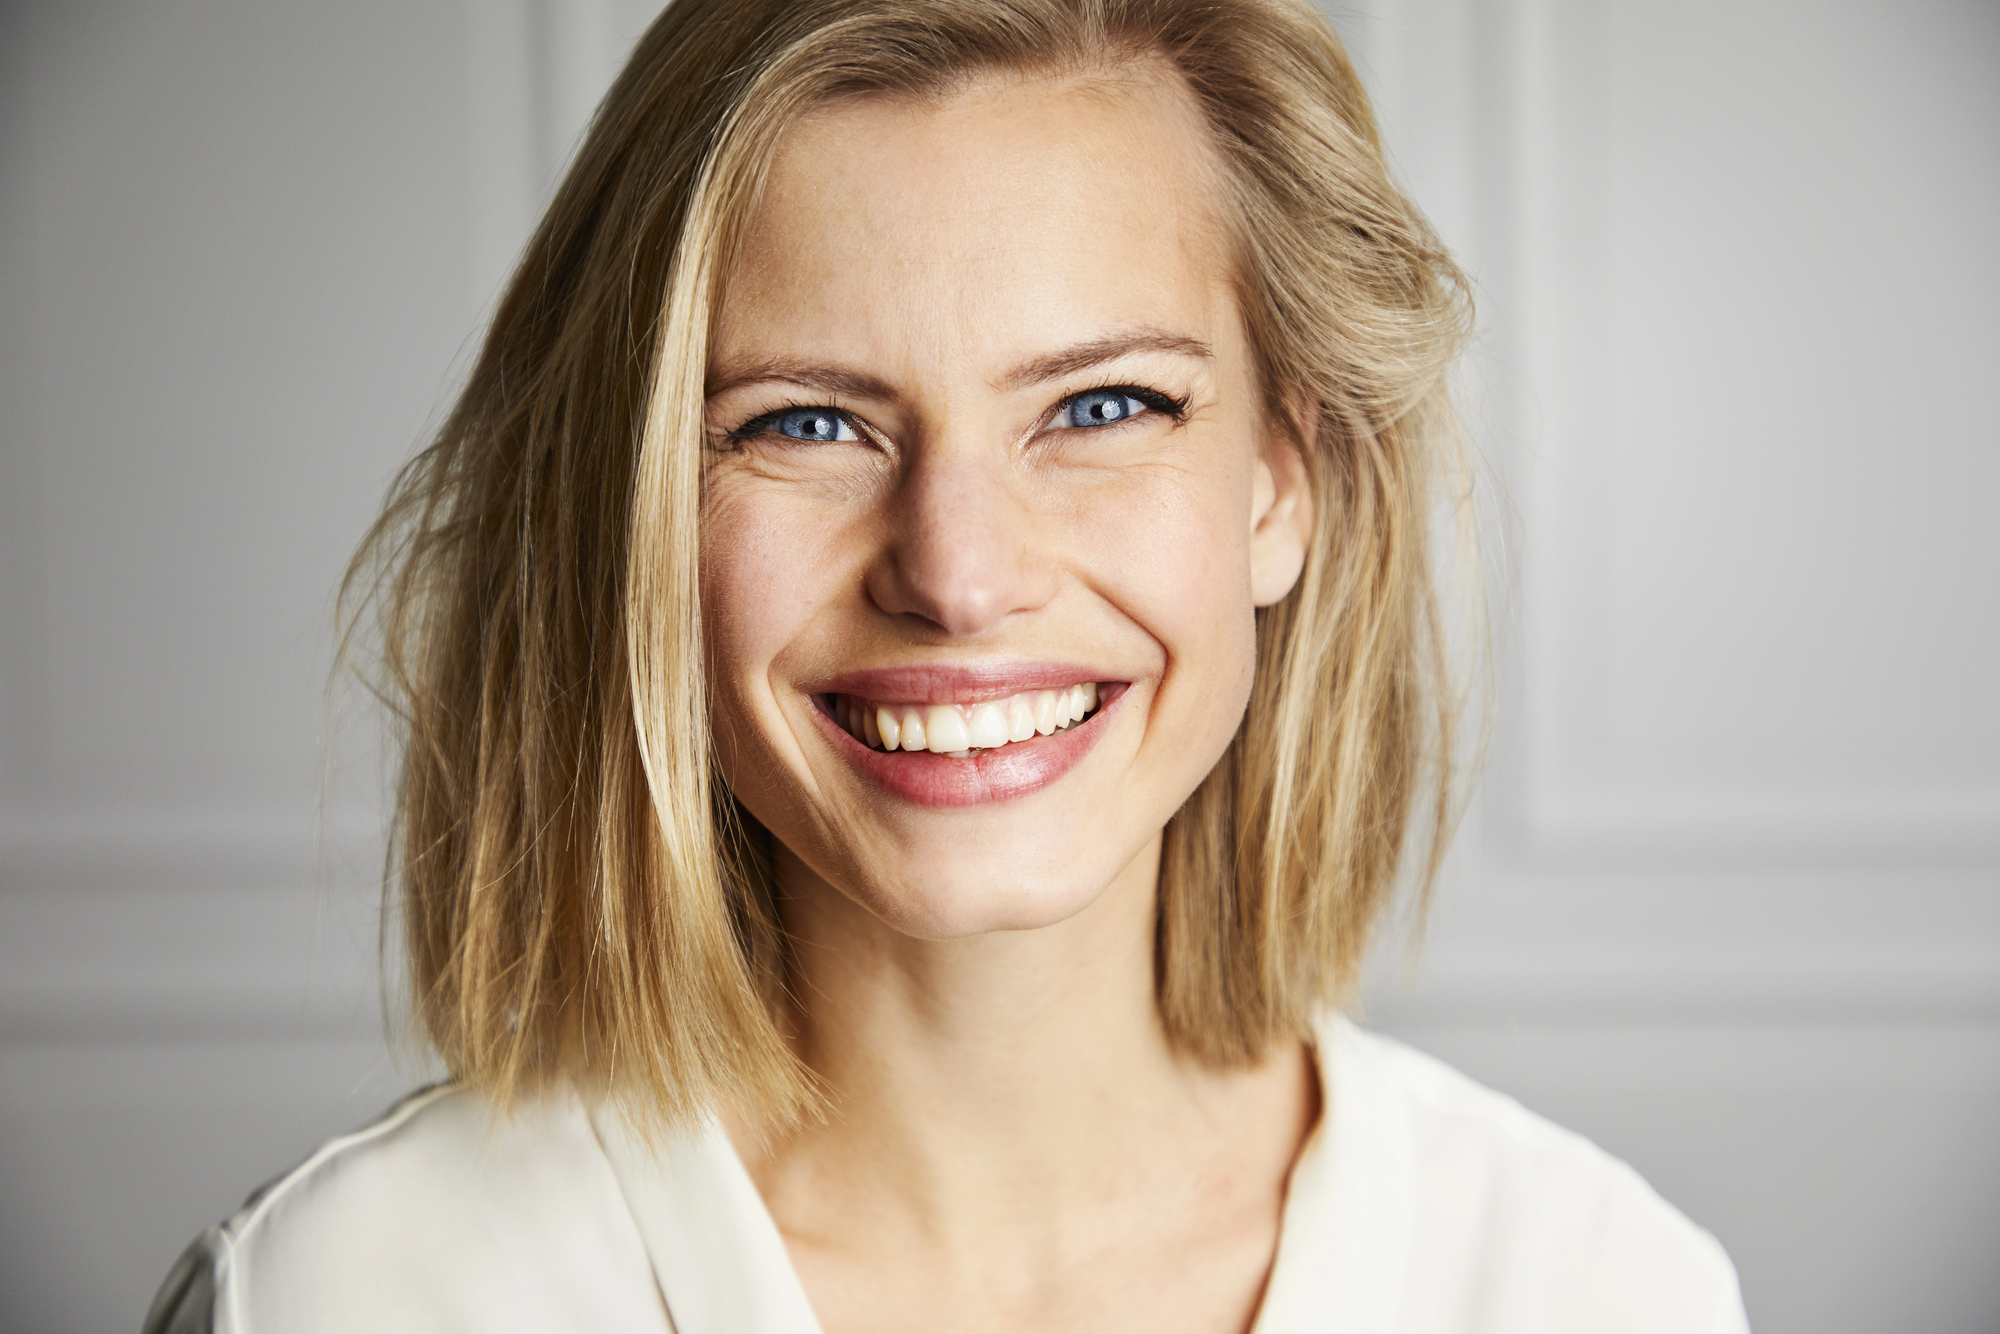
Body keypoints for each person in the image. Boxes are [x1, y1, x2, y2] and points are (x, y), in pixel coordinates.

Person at [146, 0, 1748, 1329]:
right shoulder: (335, 1295)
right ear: (633, 513)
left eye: (1103, 405)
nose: (959, 574)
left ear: (1284, 481)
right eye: (805, 422)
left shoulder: (1595, 1287)